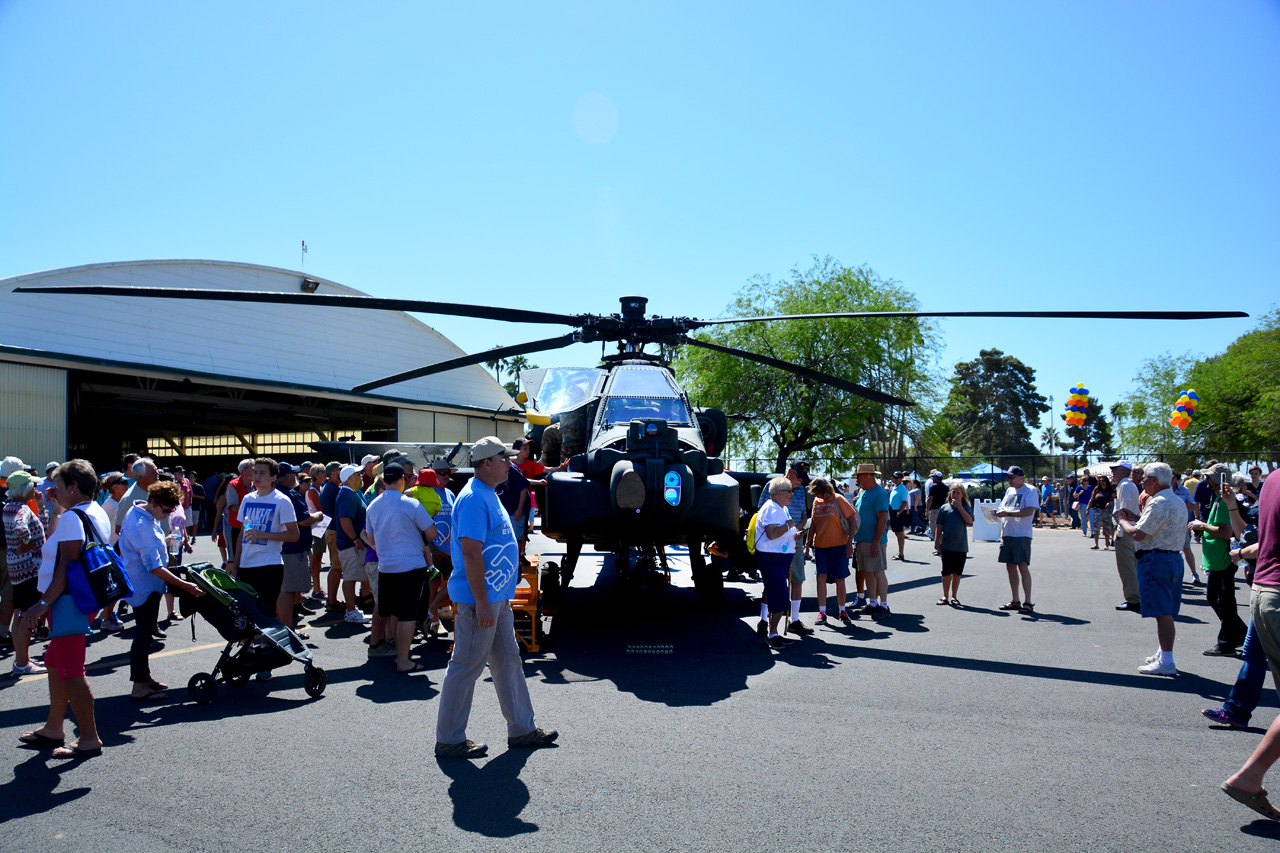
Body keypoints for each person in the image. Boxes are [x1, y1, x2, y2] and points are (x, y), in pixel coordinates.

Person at [435, 437, 557, 758]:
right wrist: (484, 603)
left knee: (508, 661)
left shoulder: (487, 494)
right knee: (466, 665)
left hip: (494, 599)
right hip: (481, 601)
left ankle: (522, 729)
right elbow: (472, 554)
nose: (510, 464)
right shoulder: (475, 499)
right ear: (486, 463)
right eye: (504, 458)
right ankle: (449, 738)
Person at [18, 460, 110, 758]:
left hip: (68, 600)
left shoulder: (73, 517)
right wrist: (58, 508)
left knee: (71, 669)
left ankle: (89, 738)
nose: (52, 489)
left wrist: (43, 603)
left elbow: (67, 564)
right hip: (80, 598)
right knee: (55, 661)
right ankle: (54, 727)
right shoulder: (92, 510)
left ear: (73, 486)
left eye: (58, 485)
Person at [1220, 465, 1280, 821]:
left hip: (1265, 593)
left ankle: (1249, 777)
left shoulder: (1273, 479)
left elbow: (1264, 541)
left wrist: (1242, 555)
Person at [118, 481, 205, 700]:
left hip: (146, 584)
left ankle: (144, 678)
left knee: (145, 633)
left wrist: (164, 541)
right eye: (165, 510)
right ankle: (139, 685)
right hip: (144, 585)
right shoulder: (142, 524)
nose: (167, 515)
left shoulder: (143, 513)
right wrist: (185, 585)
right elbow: (154, 567)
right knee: (143, 634)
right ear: (154, 502)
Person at [364, 462, 438, 673]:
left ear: (384, 480)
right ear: (403, 479)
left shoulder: (373, 506)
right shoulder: (410, 504)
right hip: (411, 565)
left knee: (394, 612)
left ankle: (400, 655)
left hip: (386, 566)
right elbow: (432, 533)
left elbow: (371, 539)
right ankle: (404, 659)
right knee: (407, 615)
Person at [1116, 463, 1186, 676]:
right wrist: (1135, 517)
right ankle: (1164, 653)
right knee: (1168, 612)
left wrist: (1121, 519)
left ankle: (1167, 661)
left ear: (1154, 481)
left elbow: (1138, 534)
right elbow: (1153, 526)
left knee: (1161, 613)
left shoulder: (1158, 502)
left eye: (1144, 478)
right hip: (1173, 559)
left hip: (1157, 560)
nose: (1142, 481)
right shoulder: (1176, 500)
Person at [235, 457, 300, 678]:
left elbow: (294, 534)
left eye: (263, 473)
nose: (258, 476)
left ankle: (265, 660)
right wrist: (235, 564)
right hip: (246, 564)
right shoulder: (247, 499)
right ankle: (246, 656)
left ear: (273, 478)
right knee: (243, 612)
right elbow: (241, 535)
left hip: (270, 564)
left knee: (265, 613)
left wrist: (265, 535)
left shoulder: (281, 501)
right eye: (256, 472)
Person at [1194, 462, 1249, 656]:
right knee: (1217, 598)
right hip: (1217, 559)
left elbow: (1226, 532)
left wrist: (1202, 526)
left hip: (1223, 559)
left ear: (1216, 480)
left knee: (1224, 601)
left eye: (1208, 476)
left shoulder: (1224, 502)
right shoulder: (1219, 499)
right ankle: (1239, 634)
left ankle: (1227, 642)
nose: (1205, 479)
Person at [5, 470, 47, 674]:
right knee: (27, 615)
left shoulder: (9, 507)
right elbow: (22, 528)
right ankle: (22, 662)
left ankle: (21, 660)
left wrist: (40, 508)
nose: (35, 488)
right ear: (24, 488)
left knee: (19, 614)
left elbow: (42, 528)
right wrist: (28, 543)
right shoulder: (20, 509)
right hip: (29, 569)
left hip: (17, 569)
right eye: (32, 485)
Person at [753, 476, 803, 647]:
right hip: (772, 558)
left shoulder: (780, 507)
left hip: (779, 558)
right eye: (789, 491)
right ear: (779, 493)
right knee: (780, 596)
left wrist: (793, 535)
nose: (792, 494)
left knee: (777, 594)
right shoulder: (772, 509)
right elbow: (772, 534)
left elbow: (779, 533)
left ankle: (773, 632)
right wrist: (789, 526)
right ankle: (773, 633)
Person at [804, 477, 856, 626]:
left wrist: (849, 542)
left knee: (840, 579)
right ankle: (822, 612)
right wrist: (807, 544)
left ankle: (842, 611)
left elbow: (852, 519)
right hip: (820, 546)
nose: (815, 495)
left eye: (816, 492)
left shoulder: (838, 499)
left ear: (823, 489)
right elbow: (813, 523)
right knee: (820, 577)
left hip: (839, 545)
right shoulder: (816, 502)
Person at [276, 464, 321, 638]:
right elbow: (303, 520)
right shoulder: (290, 494)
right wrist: (319, 515)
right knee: (286, 591)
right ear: (288, 476)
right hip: (291, 548)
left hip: (276, 548)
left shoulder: (268, 494)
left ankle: (280, 627)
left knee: (281, 590)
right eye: (294, 474)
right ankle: (287, 630)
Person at [993, 465, 1039, 614]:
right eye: (1008, 477)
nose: (1009, 480)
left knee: (1022, 566)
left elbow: (1029, 510)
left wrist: (1009, 514)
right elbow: (1004, 508)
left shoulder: (1030, 491)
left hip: (1022, 534)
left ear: (1021, 478)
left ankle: (1028, 602)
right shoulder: (1009, 491)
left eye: (1012, 477)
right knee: (1010, 566)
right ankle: (1015, 601)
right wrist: (997, 513)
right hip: (1008, 533)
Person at [335, 464, 372, 624]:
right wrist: (355, 539)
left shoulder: (353, 493)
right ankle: (350, 611)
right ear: (350, 478)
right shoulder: (348, 495)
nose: (361, 475)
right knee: (350, 577)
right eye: (358, 473)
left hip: (353, 543)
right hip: (350, 545)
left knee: (353, 576)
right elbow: (344, 519)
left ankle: (352, 610)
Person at [853, 463, 891, 616]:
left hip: (874, 541)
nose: (858, 480)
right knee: (868, 572)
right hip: (862, 539)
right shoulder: (864, 493)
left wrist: (876, 541)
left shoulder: (880, 493)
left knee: (878, 572)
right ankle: (873, 603)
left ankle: (884, 605)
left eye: (859, 476)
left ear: (865, 476)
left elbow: (882, 519)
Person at [1110, 461, 1142, 612]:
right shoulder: (1128, 485)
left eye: (1115, 469)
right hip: (1130, 529)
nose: (1113, 472)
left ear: (1124, 472)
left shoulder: (1124, 485)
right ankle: (1136, 596)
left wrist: (1120, 531)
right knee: (1132, 566)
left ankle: (1133, 599)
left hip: (1125, 531)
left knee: (1126, 567)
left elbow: (1123, 510)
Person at [934, 483, 973, 606]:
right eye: (953, 492)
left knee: (957, 572)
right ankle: (945, 595)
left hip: (961, 546)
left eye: (958, 493)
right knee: (946, 571)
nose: (955, 495)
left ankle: (954, 596)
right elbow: (939, 526)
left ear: (962, 495)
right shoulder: (944, 508)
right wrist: (936, 541)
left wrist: (960, 507)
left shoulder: (966, 506)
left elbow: (969, 520)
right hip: (947, 545)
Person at [318, 461, 345, 611]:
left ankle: (332, 599)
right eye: (340, 471)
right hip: (334, 531)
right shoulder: (332, 489)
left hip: (331, 530)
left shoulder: (330, 488)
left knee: (336, 567)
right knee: (336, 567)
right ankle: (332, 601)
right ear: (333, 473)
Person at [1169, 474, 1202, 585]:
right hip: (1166, 526)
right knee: (1169, 550)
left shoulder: (1184, 490)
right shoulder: (1163, 490)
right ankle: (1172, 576)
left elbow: (1193, 506)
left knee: (1186, 548)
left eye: (1173, 477)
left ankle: (1194, 574)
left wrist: (1179, 503)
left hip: (1181, 525)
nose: (1171, 479)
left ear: (1176, 478)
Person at [1089, 475, 1115, 550]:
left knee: (1107, 527)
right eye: (1100, 481)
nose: (1101, 482)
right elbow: (1092, 499)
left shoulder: (1110, 490)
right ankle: (1096, 544)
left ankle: (1106, 544)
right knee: (1096, 526)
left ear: (1106, 481)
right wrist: (1088, 508)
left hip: (1107, 510)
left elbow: (1115, 500)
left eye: (1103, 480)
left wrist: (1110, 503)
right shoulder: (1097, 489)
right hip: (1098, 509)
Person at [888, 471, 908, 561]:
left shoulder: (902, 489)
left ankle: (901, 553)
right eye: (894, 477)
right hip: (892, 511)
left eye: (897, 478)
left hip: (898, 512)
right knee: (896, 532)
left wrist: (898, 512)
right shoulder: (895, 487)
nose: (895, 479)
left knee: (899, 533)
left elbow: (904, 502)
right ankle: (900, 553)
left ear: (901, 478)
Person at [926, 471, 947, 542]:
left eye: (933, 477)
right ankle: (942, 545)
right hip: (944, 509)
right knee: (942, 528)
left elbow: (930, 499)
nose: (932, 478)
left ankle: (938, 545)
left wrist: (927, 510)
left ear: (937, 478)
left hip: (935, 510)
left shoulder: (933, 487)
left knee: (934, 528)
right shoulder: (946, 487)